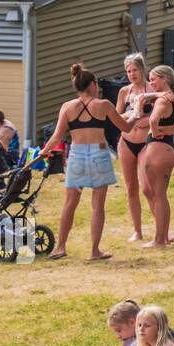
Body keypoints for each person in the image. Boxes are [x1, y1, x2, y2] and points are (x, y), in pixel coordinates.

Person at [40, 62, 134, 261]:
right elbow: (125, 127)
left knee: (69, 203)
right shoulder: (103, 105)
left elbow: (57, 136)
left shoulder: (67, 107)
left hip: (77, 155)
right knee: (97, 206)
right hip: (99, 154)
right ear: (92, 84)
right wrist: (136, 114)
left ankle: (60, 247)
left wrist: (44, 151)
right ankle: (94, 251)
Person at [135, 65, 174, 249]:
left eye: (153, 79)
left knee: (158, 196)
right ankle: (164, 237)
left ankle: (159, 240)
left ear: (164, 78)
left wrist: (155, 131)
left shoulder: (162, 101)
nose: (151, 82)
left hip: (157, 150)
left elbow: (153, 120)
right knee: (160, 196)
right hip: (169, 148)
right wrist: (146, 96)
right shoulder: (173, 97)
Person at [116, 54, 152, 242]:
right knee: (131, 188)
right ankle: (137, 231)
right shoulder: (124, 92)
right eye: (128, 71)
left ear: (142, 69)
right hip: (126, 142)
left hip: (146, 142)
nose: (131, 74)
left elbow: (163, 114)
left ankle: (161, 228)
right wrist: (131, 114)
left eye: (134, 70)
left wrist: (147, 120)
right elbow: (116, 115)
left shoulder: (152, 90)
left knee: (148, 188)